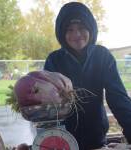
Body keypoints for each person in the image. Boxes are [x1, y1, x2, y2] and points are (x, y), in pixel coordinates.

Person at [44, 2, 131, 150]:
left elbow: (118, 98)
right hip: (63, 140)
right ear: (62, 33)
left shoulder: (103, 56)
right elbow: (47, 105)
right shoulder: (54, 60)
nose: (76, 35)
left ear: (91, 29)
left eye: (82, 28)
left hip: (97, 138)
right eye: (69, 30)